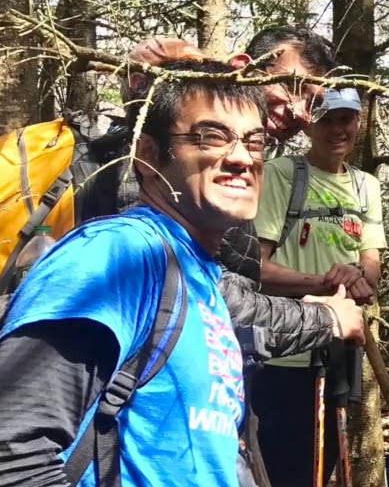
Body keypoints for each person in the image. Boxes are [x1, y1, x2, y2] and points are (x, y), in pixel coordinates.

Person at [0, 60, 269, 486]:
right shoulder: (120, 253)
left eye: (255, 143)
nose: (240, 158)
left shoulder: (199, 274)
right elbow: (12, 453)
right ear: (147, 156)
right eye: (211, 136)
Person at [79, 26, 365, 357]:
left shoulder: (240, 167)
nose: (299, 111)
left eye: (313, 102)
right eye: (291, 86)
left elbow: (224, 282)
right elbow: (193, 295)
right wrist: (323, 318)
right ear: (242, 68)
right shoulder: (141, 160)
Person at [251, 87, 384, 487]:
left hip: (340, 353)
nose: (336, 129)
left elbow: (371, 270)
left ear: (359, 123)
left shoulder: (366, 187)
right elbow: (256, 268)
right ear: (310, 122)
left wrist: (355, 276)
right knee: (281, 470)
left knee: (322, 470)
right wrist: (324, 284)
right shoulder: (281, 174)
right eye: (326, 119)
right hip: (282, 354)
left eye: (346, 119)